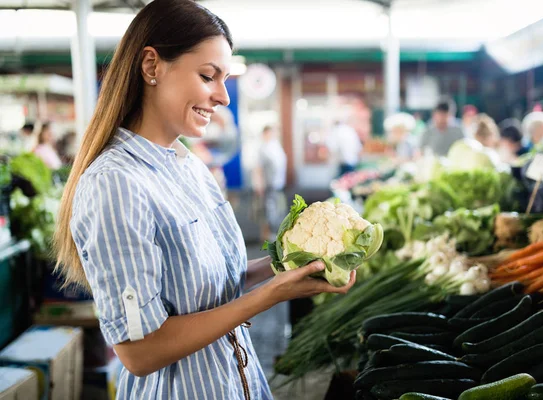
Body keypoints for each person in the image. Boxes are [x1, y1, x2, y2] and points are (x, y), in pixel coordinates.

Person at [52, 2, 355, 399]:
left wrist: (288, 265)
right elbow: (140, 351)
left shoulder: (188, 167)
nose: (223, 98)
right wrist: (273, 295)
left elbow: (210, 286)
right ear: (151, 66)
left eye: (225, 80)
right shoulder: (115, 183)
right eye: (208, 76)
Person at [253, 125, 287, 242]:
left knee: (278, 209)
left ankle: (277, 234)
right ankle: (270, 235)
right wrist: (259, 185)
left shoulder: (275, 146)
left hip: (279, 184)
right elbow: (258, 168)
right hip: (269, 185)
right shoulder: (263, 149)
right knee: (269, 210)